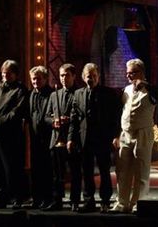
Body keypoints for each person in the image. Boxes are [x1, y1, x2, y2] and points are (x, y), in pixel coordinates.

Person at [69, 63, 121, 213]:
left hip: (103, 138)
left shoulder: (109, 94)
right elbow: (74, 119)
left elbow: (115, 117)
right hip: (84, 139)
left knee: (104, 171)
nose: (90, 78)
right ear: (83, 77)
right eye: (87, 76)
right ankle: (88, 201)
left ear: (98, 76)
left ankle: (105, 201)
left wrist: (115, 135)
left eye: (93, 76)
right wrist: (71, 138)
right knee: (87, 171)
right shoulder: (78, 94)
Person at [113, 58, 158, 213]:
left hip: (143, 133)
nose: (129, 76)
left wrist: (145, 85)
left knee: (141, 170)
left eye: (132, 73)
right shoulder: (126, 90)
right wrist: (118, 134)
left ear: (141, 72)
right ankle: (121, 202)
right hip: (126, 133)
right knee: (122, 170)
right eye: (127, 73)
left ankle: (139, 202)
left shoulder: (151, 90)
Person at [0, 60, 28, 209]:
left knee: (12, 168)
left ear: (15, 74)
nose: (5, 76)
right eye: (3, 73)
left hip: (10, 136)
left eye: (8, 74)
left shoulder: (20, 90)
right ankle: (0, 197)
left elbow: (16, 113)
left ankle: (16, 197)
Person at [43, 63, 81, 211]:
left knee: (75, 172)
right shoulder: (54, 94)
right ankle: (57, 200)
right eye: (61, 75)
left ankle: (74, 201)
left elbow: (80, 116)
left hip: (73, 139)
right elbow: (46, 116)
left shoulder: (79, 93)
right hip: (56, 138)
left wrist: (68, 120)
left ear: (73, 76)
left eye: (67, 75)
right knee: (56, 174)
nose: (63, 78)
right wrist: (54, 121)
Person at [28, 65, 54, 209]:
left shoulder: (52, 94)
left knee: (47, 171)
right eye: (33, 79)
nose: (35, 81)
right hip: (35, 138)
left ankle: (47, 198)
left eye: (38, 78)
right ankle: (36, 198)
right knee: (36, 170)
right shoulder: (31, 94)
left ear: (45, 79)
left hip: (48, 138)